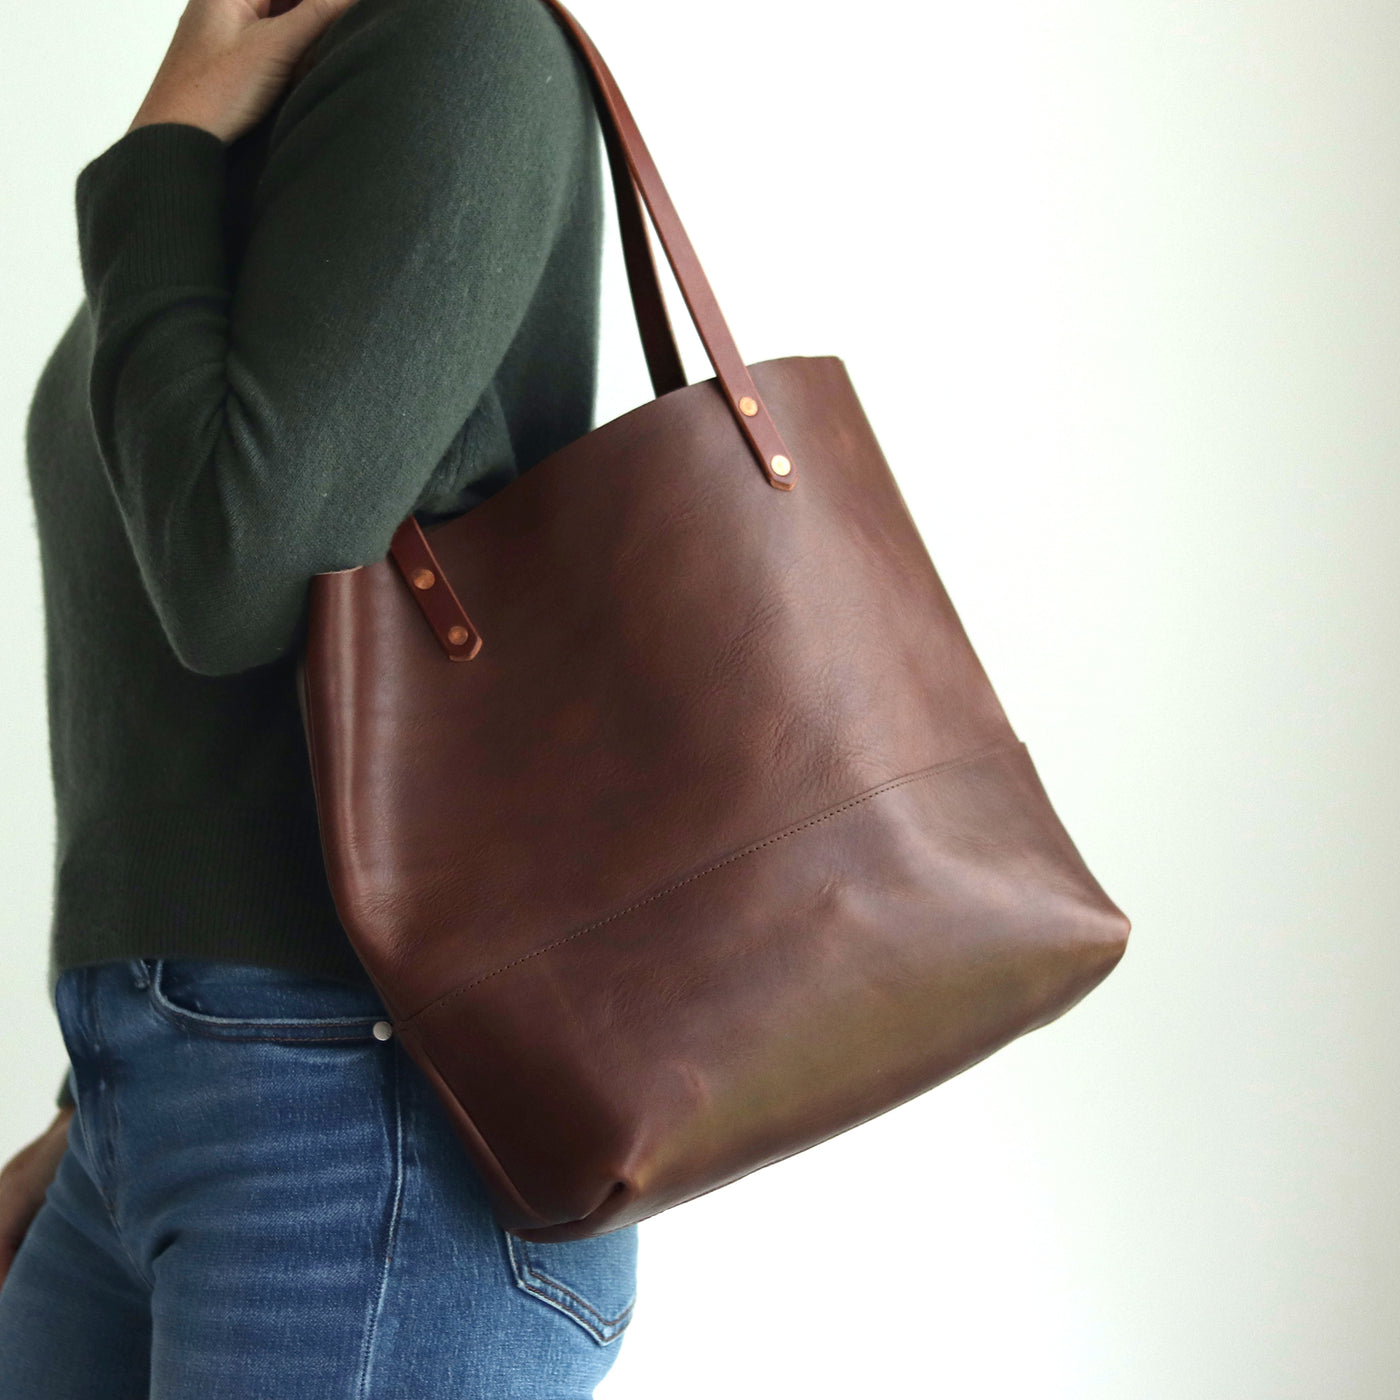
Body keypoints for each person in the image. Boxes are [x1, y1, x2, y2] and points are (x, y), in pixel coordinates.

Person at [0, 0, 639, 1393]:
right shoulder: (278, 111)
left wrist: (163, 139)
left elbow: (237, 575)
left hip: (365, 1129)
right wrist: (96, 1106)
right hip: (157, 1112)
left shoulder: (454, 39)